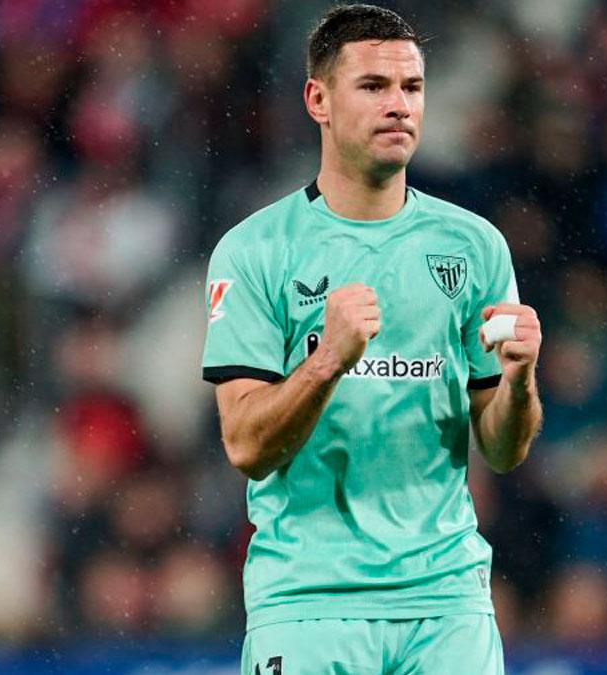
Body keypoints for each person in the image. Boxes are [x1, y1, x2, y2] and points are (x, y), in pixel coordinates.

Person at [200, 4, 542, 673]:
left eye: (412, 88)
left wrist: (523, 379)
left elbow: (502, 448)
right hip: (308, 600)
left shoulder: (475, 247)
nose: (399, 106)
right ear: (318, 99)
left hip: (445, 601)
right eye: (374, 87)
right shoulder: (255, 252)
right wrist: (328, 358)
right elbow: (245, 443)